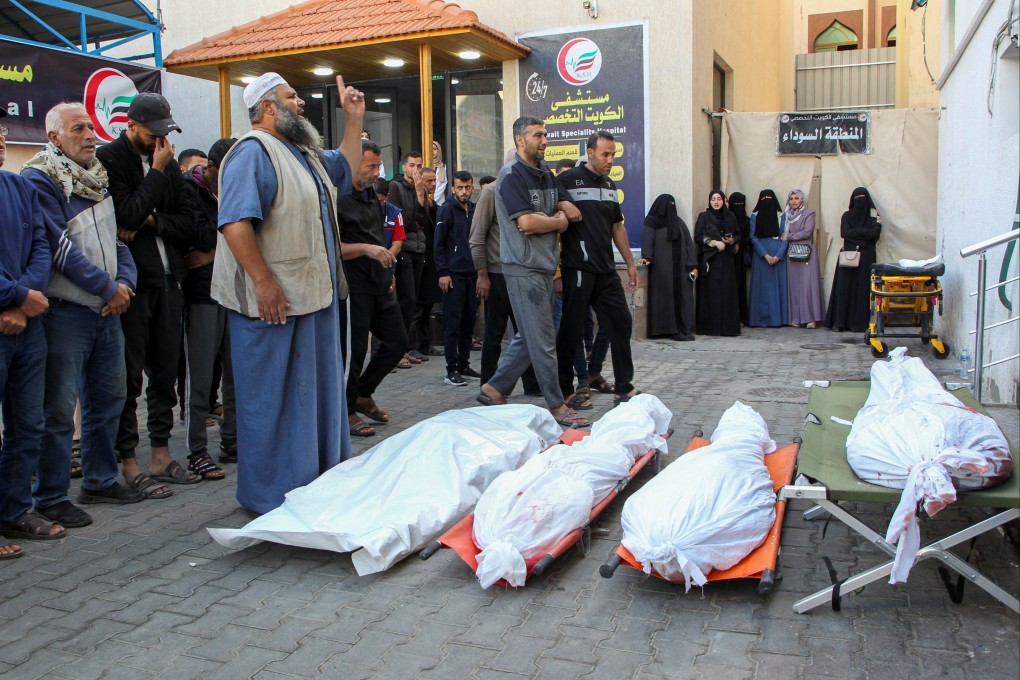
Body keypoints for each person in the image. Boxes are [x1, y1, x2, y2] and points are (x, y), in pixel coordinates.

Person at [213, 72, 360, 514]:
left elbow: (347, 169)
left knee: (314, 398)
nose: (301, 103)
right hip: (275, 305)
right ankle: (271, 498)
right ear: (268, 107)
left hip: (312, 299)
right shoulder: (253, 152)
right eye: (291, 96)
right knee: (274, 402)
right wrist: (263, 282)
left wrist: (354, 119)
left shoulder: (304, 153)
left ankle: (315, 486)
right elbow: (235, 223)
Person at [22, 102, 144, 520]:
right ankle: (51, 496)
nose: (90, 135)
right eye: (78, 129)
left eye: (91, 127)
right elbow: (58, 249)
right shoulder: (40, 179)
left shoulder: (97, 178)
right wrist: (109, 288)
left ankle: (99, 481)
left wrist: (125, 283)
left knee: (109, 399)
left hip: (106, 312)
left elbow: (118, 240)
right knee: (58, 410)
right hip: (65, 312)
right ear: (54, 137)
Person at [97, 92, 202, 488]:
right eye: (152, 133)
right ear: (131, 125)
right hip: (134, 285)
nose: (160, 141)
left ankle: (161, 454)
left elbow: (189, 225)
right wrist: (155, 175)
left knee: (165, 372)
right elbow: (124, 214)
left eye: (165, 133)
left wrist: (151, 221)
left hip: (171, 280)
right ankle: (128, 460)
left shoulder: (168, 163)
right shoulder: (110, 159)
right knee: (129, 377)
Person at [476, 116, 590, 428]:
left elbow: (573, 211)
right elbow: (526, 223)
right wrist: (556, 221)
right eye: (538, 135)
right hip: (523, 267)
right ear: (520, 139)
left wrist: (552, 217)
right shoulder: (511, 174)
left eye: (545, 134)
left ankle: (495, 387)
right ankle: (557, 405)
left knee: (530, 335)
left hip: (544, 265)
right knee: (543, 339)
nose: (545, 141)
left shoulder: (545, 173)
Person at [1, 114, 64, 554]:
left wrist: (25, 298)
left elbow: (42, 246)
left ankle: (14, 511)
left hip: (27, 324)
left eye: (1, 133)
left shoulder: (19, 187)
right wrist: (17, 296)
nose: (0, 139)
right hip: (13, 311)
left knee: (28, 425)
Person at [555, 131, 640, 405]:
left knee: (621, 322)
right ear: (590, 153)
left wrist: (630, 264)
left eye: (613, 154)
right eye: (605, 154)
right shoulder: (567, 180)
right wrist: (563, 202)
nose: (610, 160)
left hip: (606, 271)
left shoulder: (610, 185)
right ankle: (564, 388)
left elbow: (618, 226)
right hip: (578, 268)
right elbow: (550, 202)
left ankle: (624, 386)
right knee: (572, 329)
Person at [337, 139, 405, 436]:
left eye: (379, 166)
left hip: (380, 282)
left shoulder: (371, 196)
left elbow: (378, 238)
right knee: (354, 353)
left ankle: (363, 393)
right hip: (354, 286)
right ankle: (346, 410)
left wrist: (387, 269)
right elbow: (333, 248)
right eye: (371, 166)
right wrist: (366, 249)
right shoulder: (337, 197)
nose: (377, 172)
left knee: (397, 342)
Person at [180, 137, 238, 475]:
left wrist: (215, 252)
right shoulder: (191, 190)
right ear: (212, 168)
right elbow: (200, 236)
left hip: (234, 291)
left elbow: (253, 230)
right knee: (200, 379)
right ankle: (196, 450)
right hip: (202, 294)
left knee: (236, 376)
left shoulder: (233, 187)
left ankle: (231, 441)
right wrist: (226, 242)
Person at [468, 151, 540, 395]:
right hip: (498, 273)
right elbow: (477, 236)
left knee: (527, 332)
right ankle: (488, 384)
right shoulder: (491, 192)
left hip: (523, 272)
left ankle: (532, 384)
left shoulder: (527, 190)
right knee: (494, 333)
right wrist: (482, 274)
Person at [434, 170, 480, 385]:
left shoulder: (474, 209)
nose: (464, 191)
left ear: (472, 188)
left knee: (469, 322)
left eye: (467, 187)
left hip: (472, 274)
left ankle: (463, 364)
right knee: (453, 323)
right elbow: (438, 243)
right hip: (453, 274)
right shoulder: (446, 210)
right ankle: (451, 369)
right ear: (453, 189)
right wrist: (443, 272)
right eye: (460, 187)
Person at [388, 151, 430, 363]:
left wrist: (421, 194)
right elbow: (399, 218)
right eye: (412, 165)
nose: (416, 170)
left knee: (415, 300)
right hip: (403, 248)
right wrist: (415, 222)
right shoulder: (396, 187)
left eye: (419, 166)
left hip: (419, 247)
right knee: (406, 298)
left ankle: (409, 347)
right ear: (404, 166)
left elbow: (426, 219)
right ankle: (398, 349)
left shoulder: (420, 188)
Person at [640, 193, 697, 340]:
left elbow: (689, 243)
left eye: (673, 204)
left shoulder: (678, 222)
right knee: (665, 298)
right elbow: (647, 240)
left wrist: (692, 264)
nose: (671, 207)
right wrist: (647, 257)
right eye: (668, 204)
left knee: (682, 298)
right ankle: (668, 330)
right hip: (662, 269)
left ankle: (682, 327)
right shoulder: (651, 222)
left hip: (680, 269)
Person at [825, 187, 882, 332]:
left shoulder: (874, 217)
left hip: (866, 258)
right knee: (844, 289)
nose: (860, 202)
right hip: (849, 257)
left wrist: (855, 234)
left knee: (862, 290)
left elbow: (875, 234)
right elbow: (844, 232)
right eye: (857, 198)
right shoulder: (847, 216)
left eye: (863, 198)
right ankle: (839, 322)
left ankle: (859, 324)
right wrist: (864, 237)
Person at [694, 190, 741, 336]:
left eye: (719, 199)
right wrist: (713, 242)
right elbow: (698, 236)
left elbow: (739, 234)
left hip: (727, 259)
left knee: (727, 292)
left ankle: (728, 328)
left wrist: (732, 240)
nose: (716, 202)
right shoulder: (704, 216)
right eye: (713, 199)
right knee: (711, 292)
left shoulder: (730, 216)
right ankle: (710, 327)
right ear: (709, 201)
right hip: (711, 259)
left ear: (723, 201)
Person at [748, 189, 789, 327]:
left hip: (778, 253)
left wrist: (778, 256)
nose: (767, 201)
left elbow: (785, 237)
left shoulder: (781, 216)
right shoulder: (755, 216)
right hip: (761, 255)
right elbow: (753, 237)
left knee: (776, 288)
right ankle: (759, 319)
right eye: (764, 198)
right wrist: (765, 255)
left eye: (769, 198)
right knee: (762, 289)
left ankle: (777, 319)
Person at [784, 189, 824, 328]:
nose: (794, 201)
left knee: (808, 286)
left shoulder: (809, 213)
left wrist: (789, 236)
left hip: (806, 253)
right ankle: (796, 318)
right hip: (793, 254)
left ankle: (810, 318)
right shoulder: (787, 215)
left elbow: (807, 232)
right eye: (791, 199)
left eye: (796, 198)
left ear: (801, 199)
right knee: (794, 287)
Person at [728, 192, 752, 324]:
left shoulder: (746, 220)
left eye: (741, 204)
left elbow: (749, 237)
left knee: (740, 285)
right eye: (736, 204)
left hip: (740, 256)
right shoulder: (727, 218)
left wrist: (739, 244)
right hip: (727, 255)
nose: (738, 206)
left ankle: (741, 317)